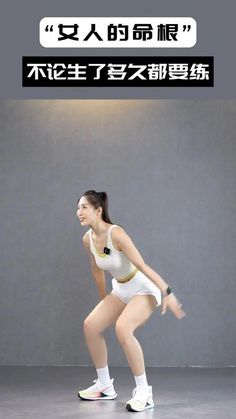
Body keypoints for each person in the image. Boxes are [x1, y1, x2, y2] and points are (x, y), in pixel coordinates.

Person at [76, 190, 185, 412]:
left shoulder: (116, 234)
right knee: (90, 326)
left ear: (98, 210)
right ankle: (105, 386)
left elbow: (143, 265)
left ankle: (145, 392)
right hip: (121, 289)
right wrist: (103, 299)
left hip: (143, 287)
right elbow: (97, 269)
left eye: (84, 207)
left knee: (123, 329)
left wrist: (167, 291)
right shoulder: (87, 239)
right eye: (77, 208)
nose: (79, 212)